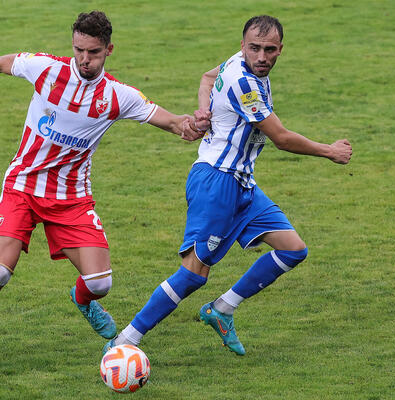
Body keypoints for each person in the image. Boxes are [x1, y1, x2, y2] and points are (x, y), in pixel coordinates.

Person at [0, 11, 207, 373]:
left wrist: (191, 126)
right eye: (78, 49)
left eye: (93, 52)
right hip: (23, 186)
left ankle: (84, 301)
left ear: (109, 50)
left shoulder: (117, 96)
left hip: (71, 197)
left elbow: (172, 122)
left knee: (101, 282)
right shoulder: (45, 69)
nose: (84, 59)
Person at [104, 15, 352, 356]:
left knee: (293, 249)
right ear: (243, 46)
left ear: (280, 49)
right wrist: (329, 151)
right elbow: (280, 138)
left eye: (269, 49)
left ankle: (222, 309)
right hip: (216, 183)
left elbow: (207, 77)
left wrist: (204, 110)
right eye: (254, 48)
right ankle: (125, 340)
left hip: (242, 183)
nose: (261, 57)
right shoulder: (244, 85)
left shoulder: (236, 63)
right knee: (193, 274)